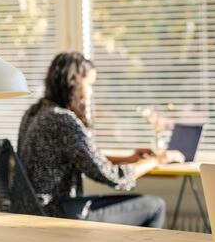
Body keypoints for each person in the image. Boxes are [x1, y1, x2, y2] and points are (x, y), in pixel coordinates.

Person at [17, 52, 184, 227]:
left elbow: (83, 157)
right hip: (56, 212)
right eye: (89, 84)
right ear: (75, 82)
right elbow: (112, 177)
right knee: (154, 206)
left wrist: (129, 159)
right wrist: (158, 159)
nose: (90, 92)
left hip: (29, 208)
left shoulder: (34, 113)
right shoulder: (63, 120)